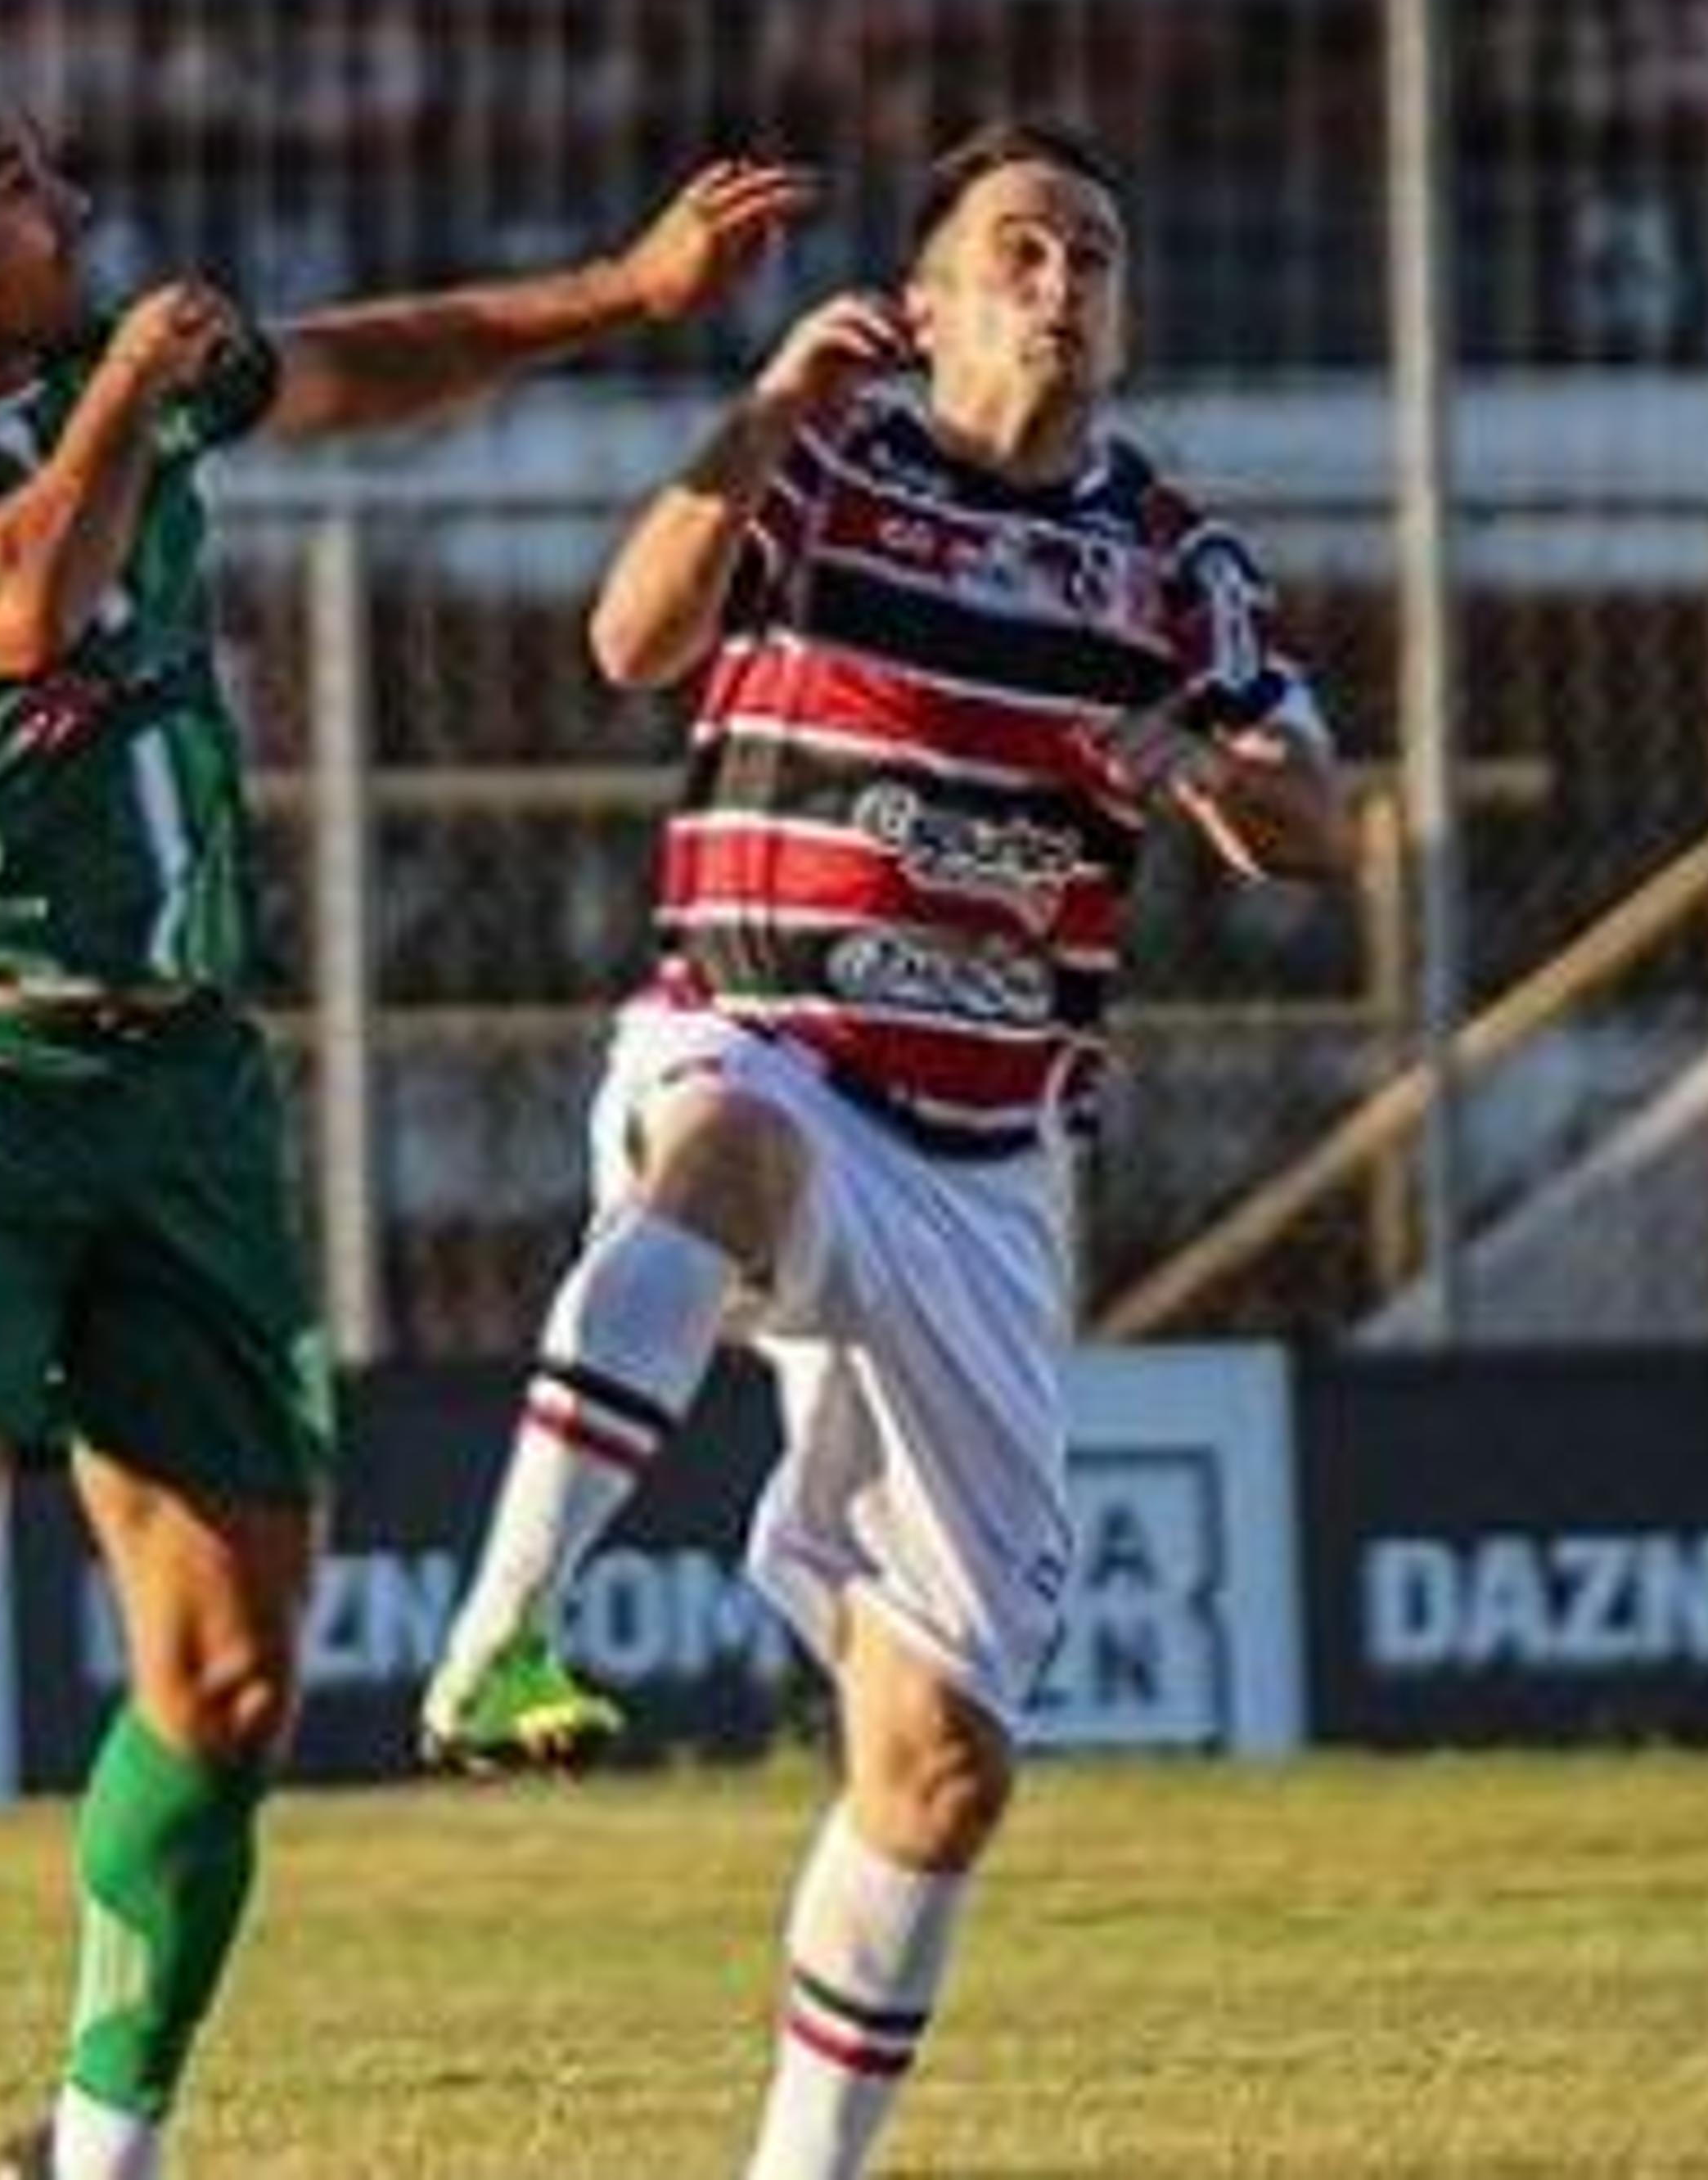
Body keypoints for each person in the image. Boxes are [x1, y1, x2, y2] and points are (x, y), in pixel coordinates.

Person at [0, 20, 809, 2180]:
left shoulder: (129, 370)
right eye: (9, 181)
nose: (64, 196)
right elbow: (17, 596)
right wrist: (116, 391)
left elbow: (367, 360)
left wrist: (625, 297)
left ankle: (103, 2136)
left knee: (237, 1676)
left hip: (184, 1091)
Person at [419, 119, 1351, 2180]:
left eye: (1094, 252)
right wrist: (758, 410)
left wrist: (1207, 762)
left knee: (940, 1772)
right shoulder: (829, 465)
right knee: (728, 1153)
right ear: (923, 304)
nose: (1062, 280)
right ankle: (505, 1624)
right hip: (763, 1032)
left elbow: (1325, 823)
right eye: (1019, 246)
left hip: (982, 1160)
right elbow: (631, 643)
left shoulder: (1173, 563)